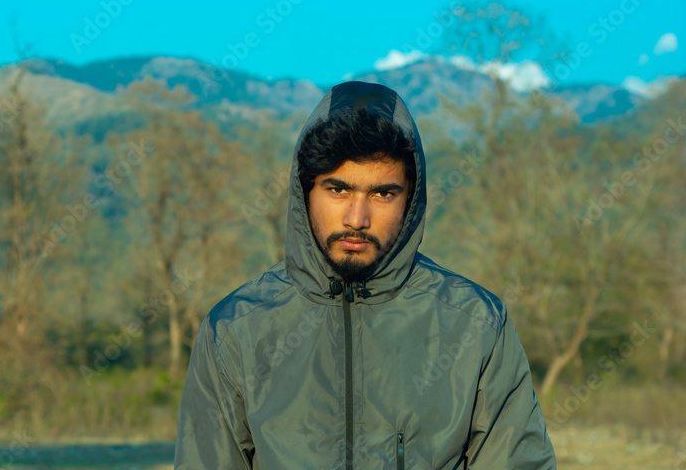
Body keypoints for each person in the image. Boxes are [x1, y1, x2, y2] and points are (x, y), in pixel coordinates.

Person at [174, 81, 555, 469]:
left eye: (383, 194)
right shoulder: (235, 330)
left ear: (411, 199)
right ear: (306, 191)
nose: (357, 219)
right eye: (338, 190)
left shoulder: (476, 322)